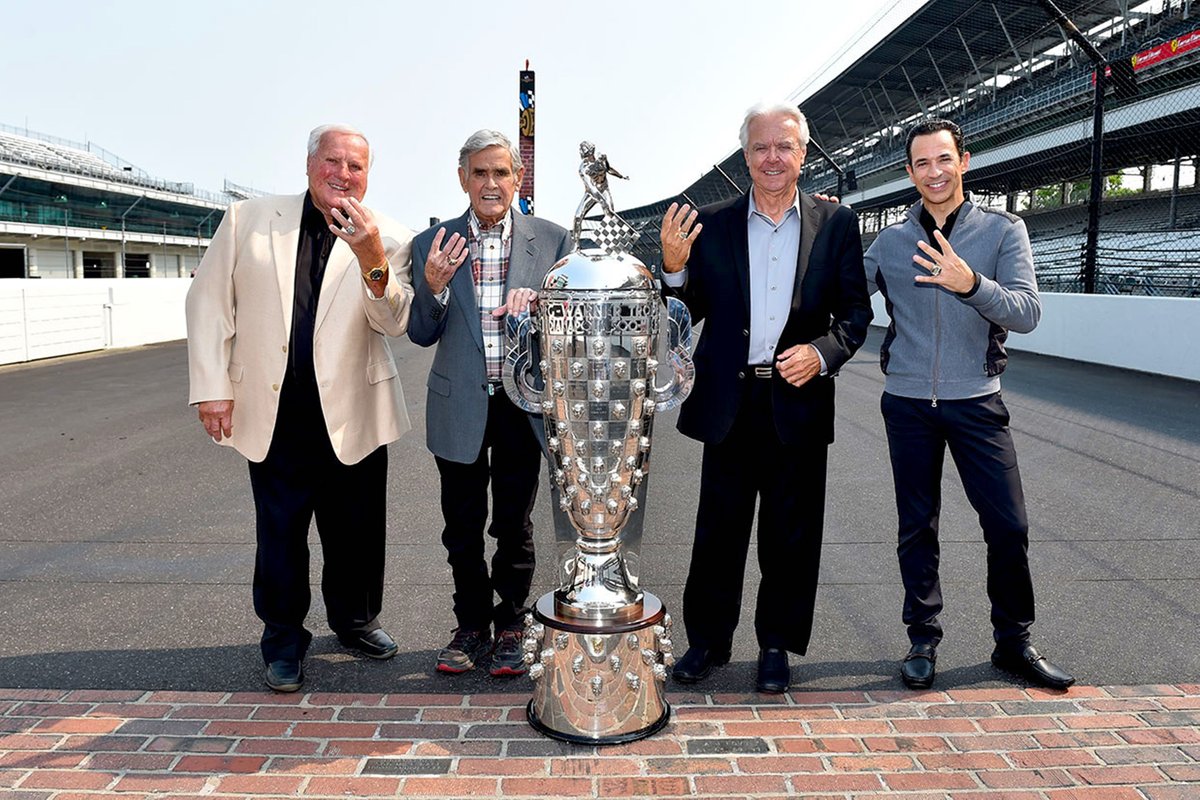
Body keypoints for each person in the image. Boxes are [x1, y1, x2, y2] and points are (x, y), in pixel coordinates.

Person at [185, 124, 414, 693]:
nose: (343, 173)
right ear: (310, 164)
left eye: (355, 165)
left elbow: (394, 321)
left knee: (356, 534)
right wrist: (212, 386)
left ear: (369, 173)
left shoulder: (392, 235)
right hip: (274, 412)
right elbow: (209, 302)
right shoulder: (248, 220)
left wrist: (370, 254)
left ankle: (356, 621)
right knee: (280, 534)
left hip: (354, 409)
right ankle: (283, 639)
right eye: (332, 161)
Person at [659, 102, 872, 693]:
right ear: (745, 155)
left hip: (797, 398)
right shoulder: (712, 223)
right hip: (731, 403)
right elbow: (684, 311)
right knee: (718, 532)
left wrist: (823, 353)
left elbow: (856, 314)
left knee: (791, 534)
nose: (772, 158)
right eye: (760, 148)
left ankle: (776, 644)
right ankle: (707, 641)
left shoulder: (837, 223)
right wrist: (673, 271)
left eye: (784, 146)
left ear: (803, 153)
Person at [864, 118, 1075, 691]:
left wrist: (969, 283)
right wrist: (829, 223)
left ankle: (1014, 643)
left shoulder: (1004, 230)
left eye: (944, 159)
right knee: (916, 526)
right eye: (922, 163)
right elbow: (840, 291)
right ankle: (922, 640)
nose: (934, 172)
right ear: (909, 172)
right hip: (907, 403)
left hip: (977, 401)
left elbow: (1026, 313)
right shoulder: (889, 242)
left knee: (1008, 525)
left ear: (964, 161)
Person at [408, 129, 571, 677]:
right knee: (461, 526)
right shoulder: (431, 243)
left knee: (513, 524)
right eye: (480, 173)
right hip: (458, 405)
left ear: (518, 179)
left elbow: (572, 332)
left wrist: (544, 305)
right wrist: (431, 287)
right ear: (462, 179)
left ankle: (510, 622)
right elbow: (421, 334)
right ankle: (471, 624)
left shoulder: (553, 241)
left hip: (521, 404)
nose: (491, 183)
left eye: (501, 172)